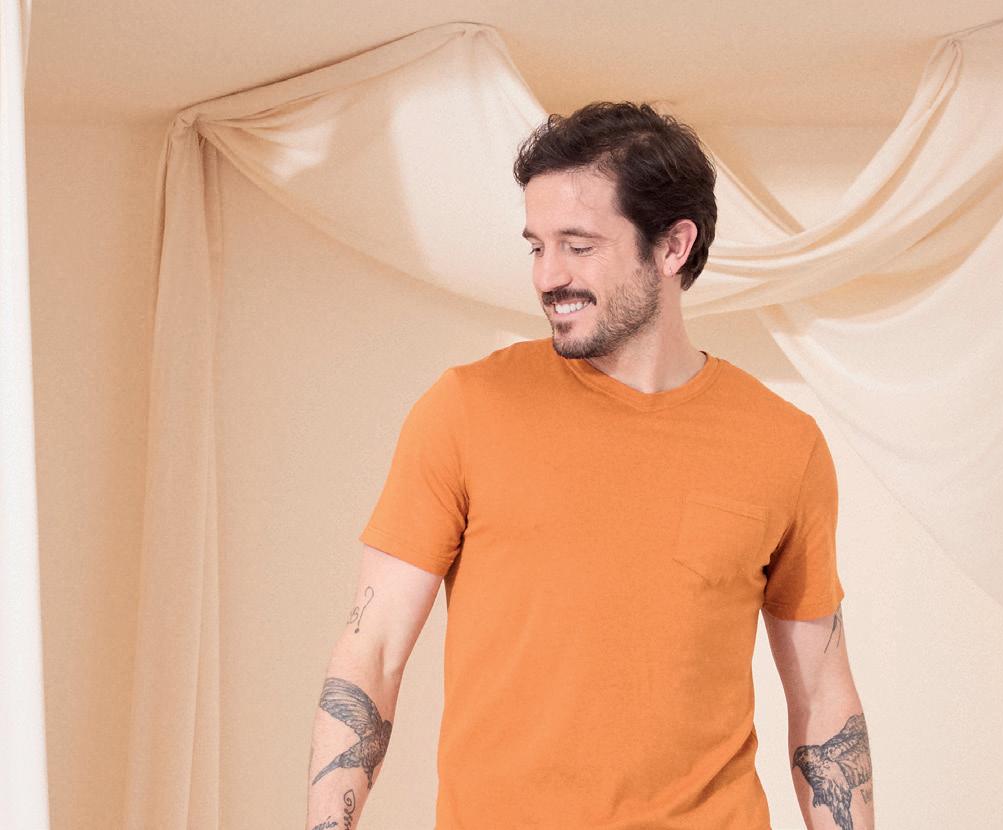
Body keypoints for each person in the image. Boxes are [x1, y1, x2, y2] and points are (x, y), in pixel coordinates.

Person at [304, 101, 874, 830]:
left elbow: (823, 696)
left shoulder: (782, 443)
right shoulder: (467, 409)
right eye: (536, 247)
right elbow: (372, 654)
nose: (549, 276)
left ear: (673, 247)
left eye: (578, 246)